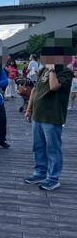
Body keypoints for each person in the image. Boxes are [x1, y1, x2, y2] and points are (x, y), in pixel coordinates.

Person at [24, 57, 73, 190]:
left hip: (52, 117)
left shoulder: (66, 72)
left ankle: (53, 178)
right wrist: (29, 109)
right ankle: (40, 173)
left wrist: (52, 69)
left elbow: (54, 86)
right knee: (38, 147)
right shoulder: (44, 69)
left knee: (53, 149)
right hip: (37, 115)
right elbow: (35, 89)